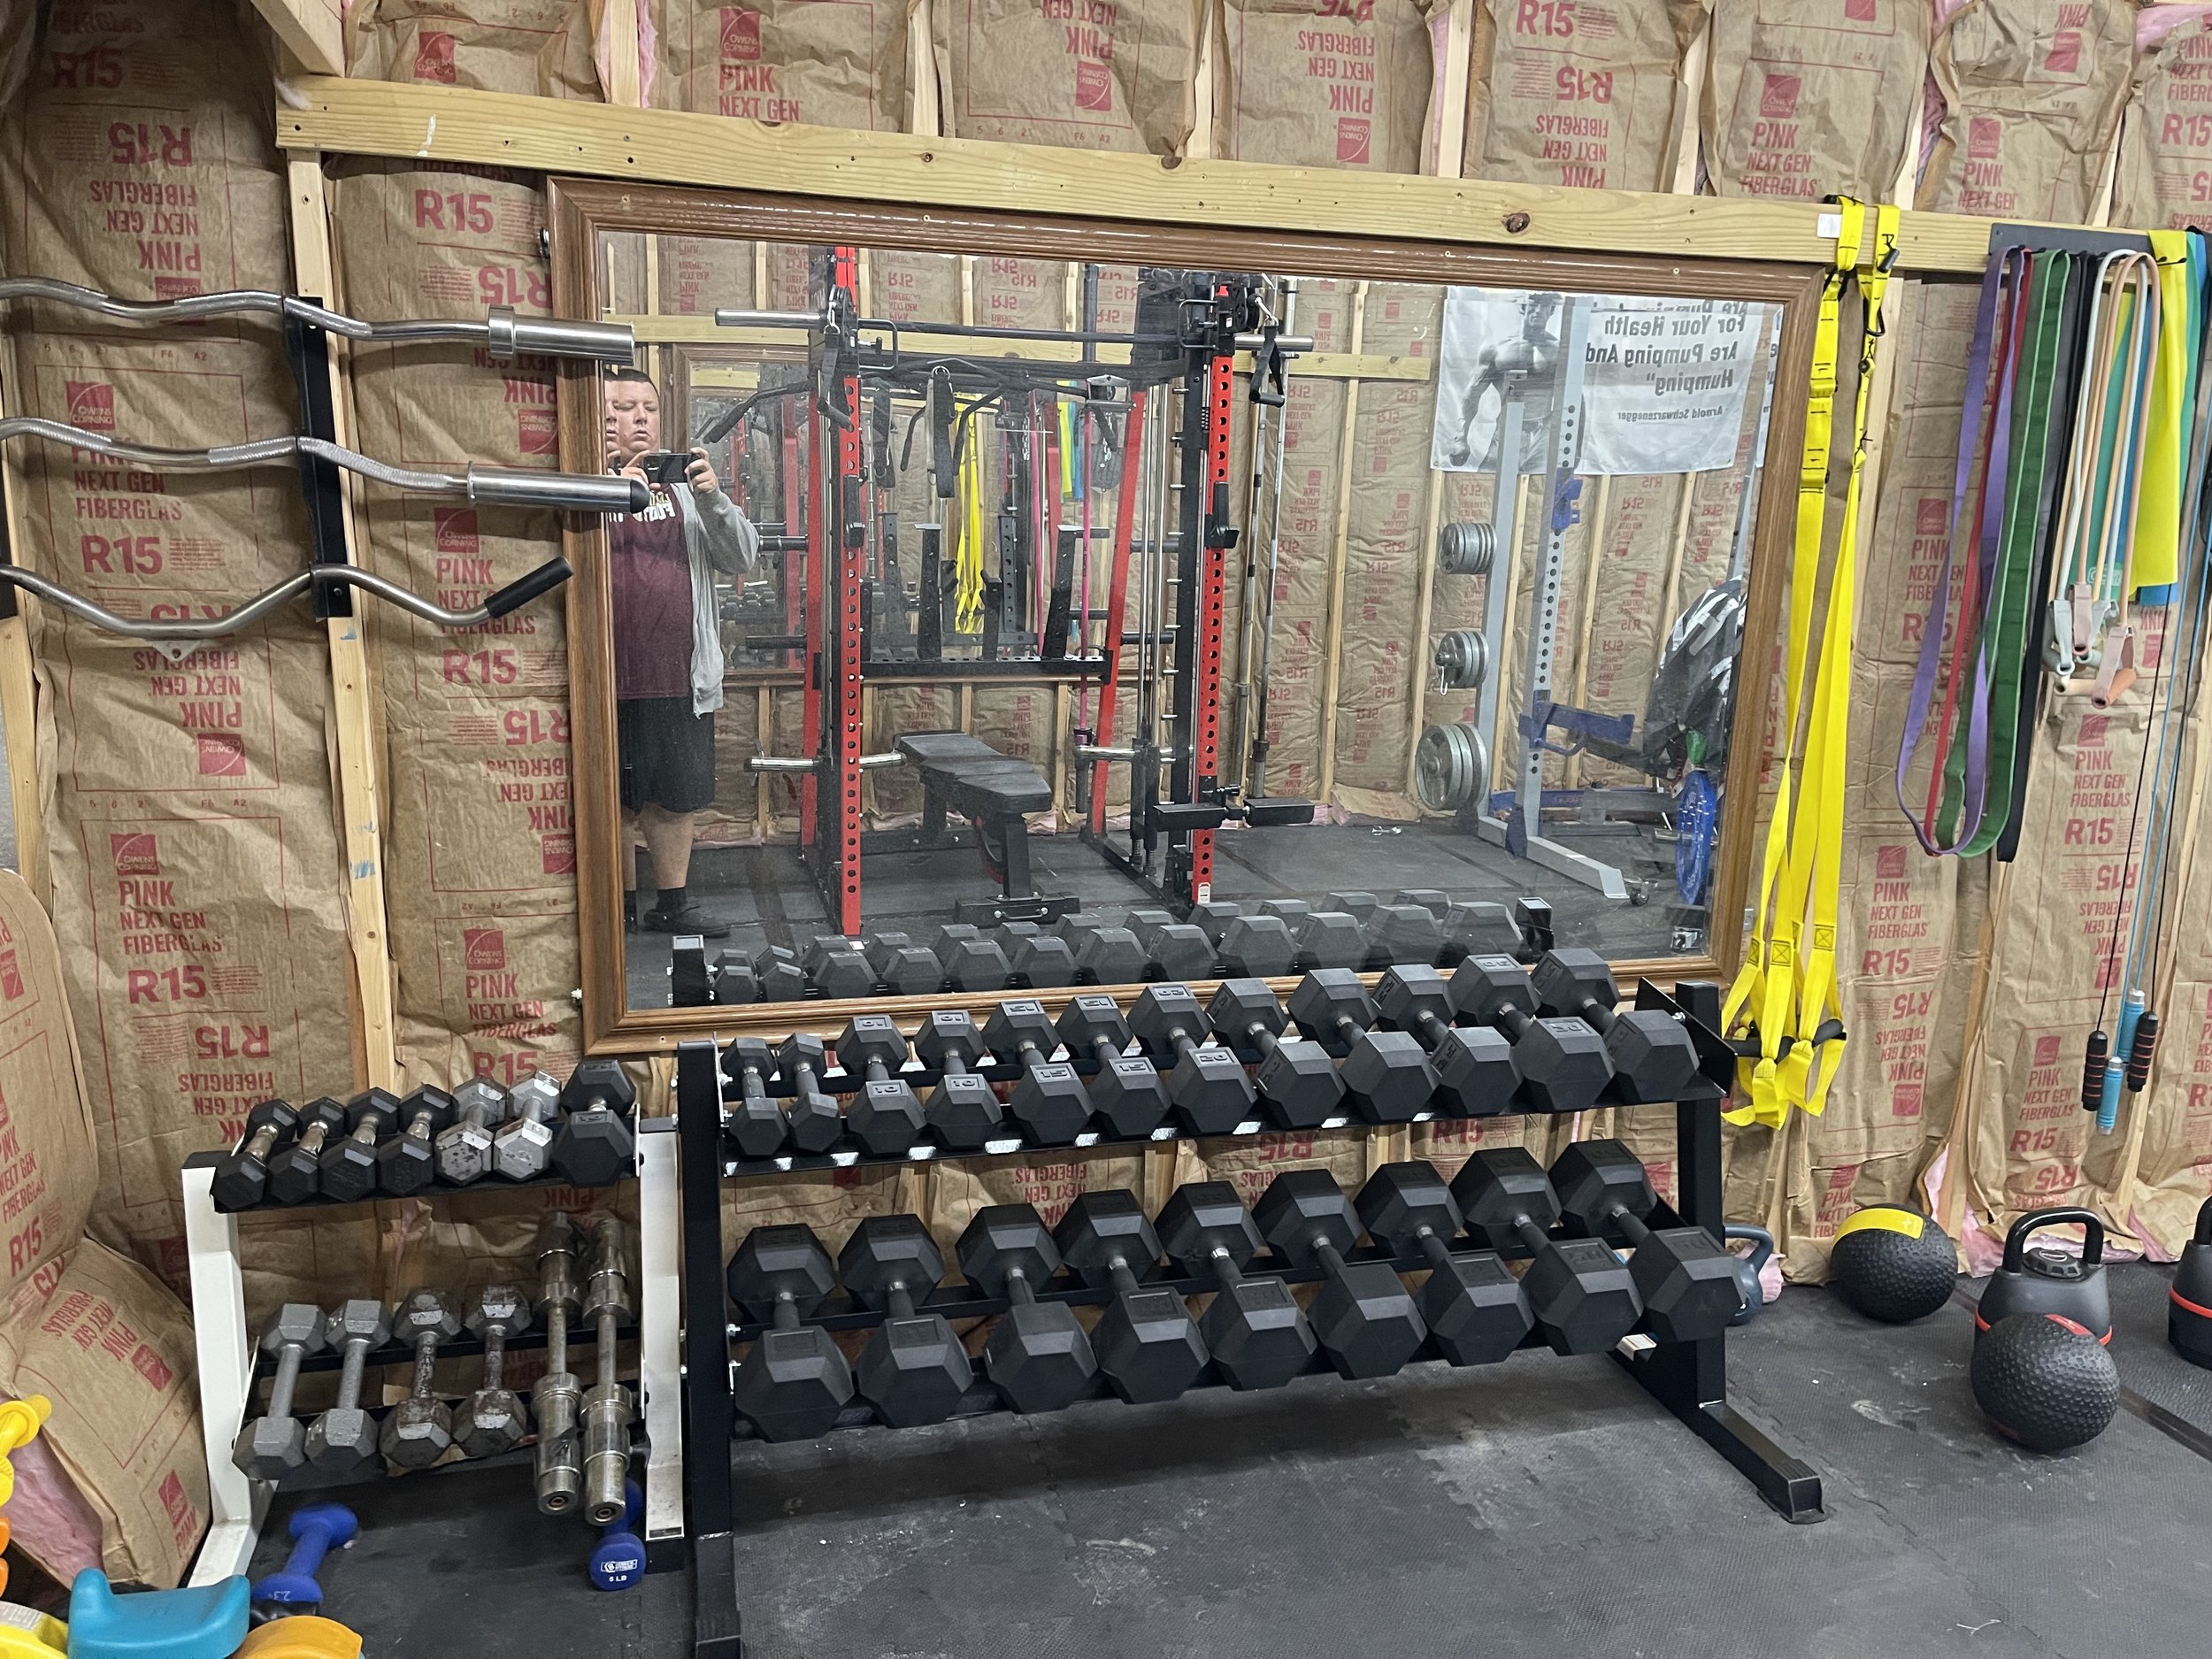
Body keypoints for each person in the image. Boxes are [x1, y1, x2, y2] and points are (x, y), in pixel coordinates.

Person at [603, 366, 760, 934]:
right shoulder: (585, 485)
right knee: (613, 801)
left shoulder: (688, 492)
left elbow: (743, 557)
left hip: (679, 676)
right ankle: (615, 907)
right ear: (599, 419)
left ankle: (673, 905)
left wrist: (715, 498)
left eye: (646, 406)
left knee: (675, 798)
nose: (639, 417)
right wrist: (612, 485)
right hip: (604, 677)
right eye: (622, 407)